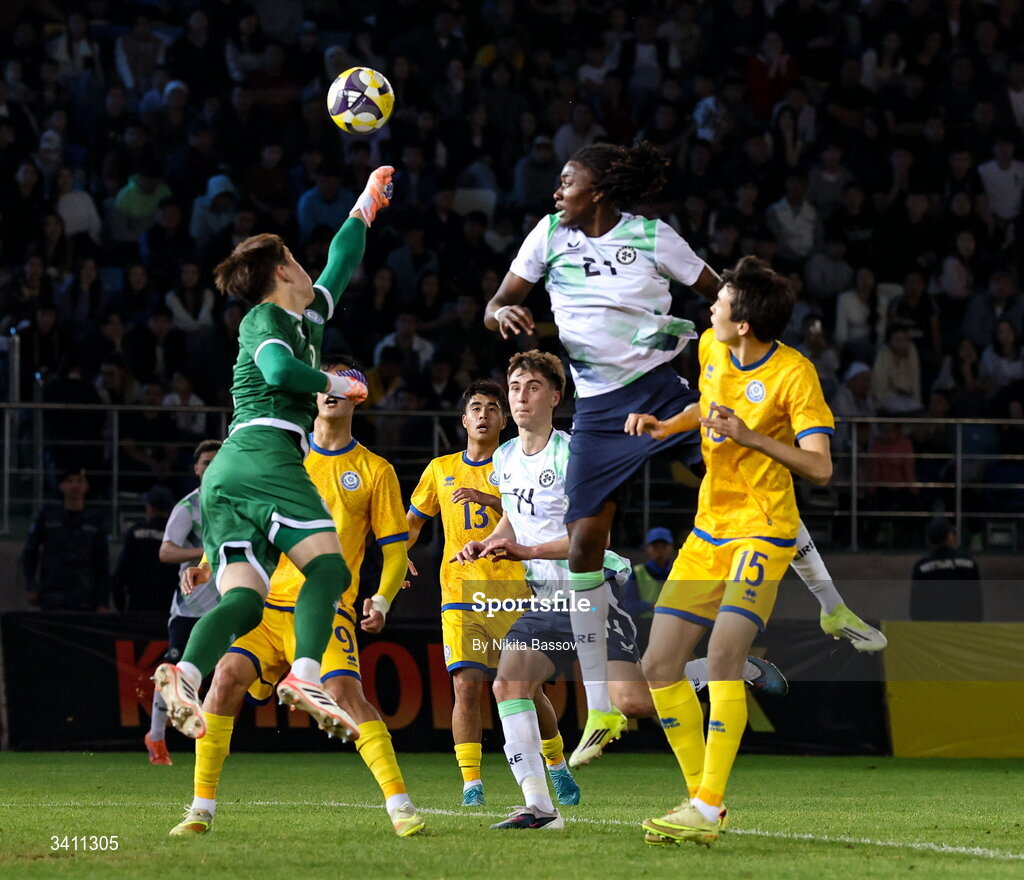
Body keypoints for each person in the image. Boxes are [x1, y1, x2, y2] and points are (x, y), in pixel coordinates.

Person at [456, 351, 786, 828]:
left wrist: (524, 553)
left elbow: (592, 540)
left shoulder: (574, 454)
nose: (521, 396)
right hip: (547, 599)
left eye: (531, 387)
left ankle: (724, 670)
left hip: (593, 590)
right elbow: (516, 518)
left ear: (555, 396)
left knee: (632, 703)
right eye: (514, 387)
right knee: (508, 683)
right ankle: (541, 809)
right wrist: (490, 541)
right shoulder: (504, 458)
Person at [484, 141, 722, 765]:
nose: (556, 190)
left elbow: (720, 297)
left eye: (567, 180)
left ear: (599, 189)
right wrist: (503, 313)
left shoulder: (652, 236)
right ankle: (603, 707)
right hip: (596, 409)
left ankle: (816, 590)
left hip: (662, 390)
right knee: (585, 541)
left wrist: (712, 343)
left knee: (734, 472)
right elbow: (495, 305)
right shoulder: (548, 236)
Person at [152, 166, 394, 741]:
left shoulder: (306, 315)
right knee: (331, 567)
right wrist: (337, 386)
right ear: (283, 269)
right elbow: (279, 370)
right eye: (298, 260)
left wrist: (367, 203)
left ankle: (183, 672)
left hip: (230, 474)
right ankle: (305, 676)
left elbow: (342, 259)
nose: (312, 270)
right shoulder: (265, 318)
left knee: (244, 602)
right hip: (265, 453)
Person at [167, 357, 424, 839]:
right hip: (265, 606)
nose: (331, 391)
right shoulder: (283, 456)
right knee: (224, 679)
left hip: (324, 610)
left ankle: (401, 805)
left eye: (345, 383)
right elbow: (241, 516)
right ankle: (200, 810)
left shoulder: (374, 470)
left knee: (348, 695)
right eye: (325, 382)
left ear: (358, 396)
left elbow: (394, 551)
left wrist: (383, 599)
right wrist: (207, 560)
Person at [625, 256, 834, 848]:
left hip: (763, 531)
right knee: (659, 665)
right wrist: (668, 427)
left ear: (743, 322)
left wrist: (751, 437)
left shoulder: (795, 374)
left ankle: (708, 802)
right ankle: (702, 803)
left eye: (720, 301)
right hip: (708, 531)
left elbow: (820, 465)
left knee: (721, 657)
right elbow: (707, 408)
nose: (710, 306)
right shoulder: (712, 353)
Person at [405, 380, 537, 806]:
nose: (484, 415)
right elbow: (411, 523)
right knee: (466, 685)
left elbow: (536, 514)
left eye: (493, 408)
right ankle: (472, 785)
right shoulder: (440, 468)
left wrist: (488, 497)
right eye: (476, 408)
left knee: (526, 690)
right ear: (464, 420)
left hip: (513, 592)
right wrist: (396, 559)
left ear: (504, 419)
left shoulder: (520, 463)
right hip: (459, 591)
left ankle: (556, 766)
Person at [144, 439, 221, 766]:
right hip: (189, 610)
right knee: (175, 672)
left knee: (226, 676)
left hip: (226, 608)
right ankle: (157, 737)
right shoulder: (188, 507)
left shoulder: (236, 502)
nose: (210, 466)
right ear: (196, 469)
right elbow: (165, 551)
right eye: (205, 462)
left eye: (217, 461)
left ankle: (217, 741)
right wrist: (205, 555)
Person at [22, 468, 109, 612]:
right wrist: (31, 586)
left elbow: (102, 562)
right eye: (69, 481)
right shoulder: (47, 516)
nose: (74, 486)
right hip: (52, 593)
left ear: (86, 486)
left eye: (79, 481)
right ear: (61, 486)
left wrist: (103, 600)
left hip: (85, 596)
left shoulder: (95, 520)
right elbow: (30, 553)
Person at [111, 485, 179, 614]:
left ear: (149, 507)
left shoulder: (135, 532)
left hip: (138, 605)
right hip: (169, 606)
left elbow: (120, 572)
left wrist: (120, 606)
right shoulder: (176, 535)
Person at [910, 519, 982, 622]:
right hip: (964, 627)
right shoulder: (969, 563)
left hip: (933, 628)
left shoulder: (921, 567)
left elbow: (916, 607)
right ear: (949, 536)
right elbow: (976, 601)